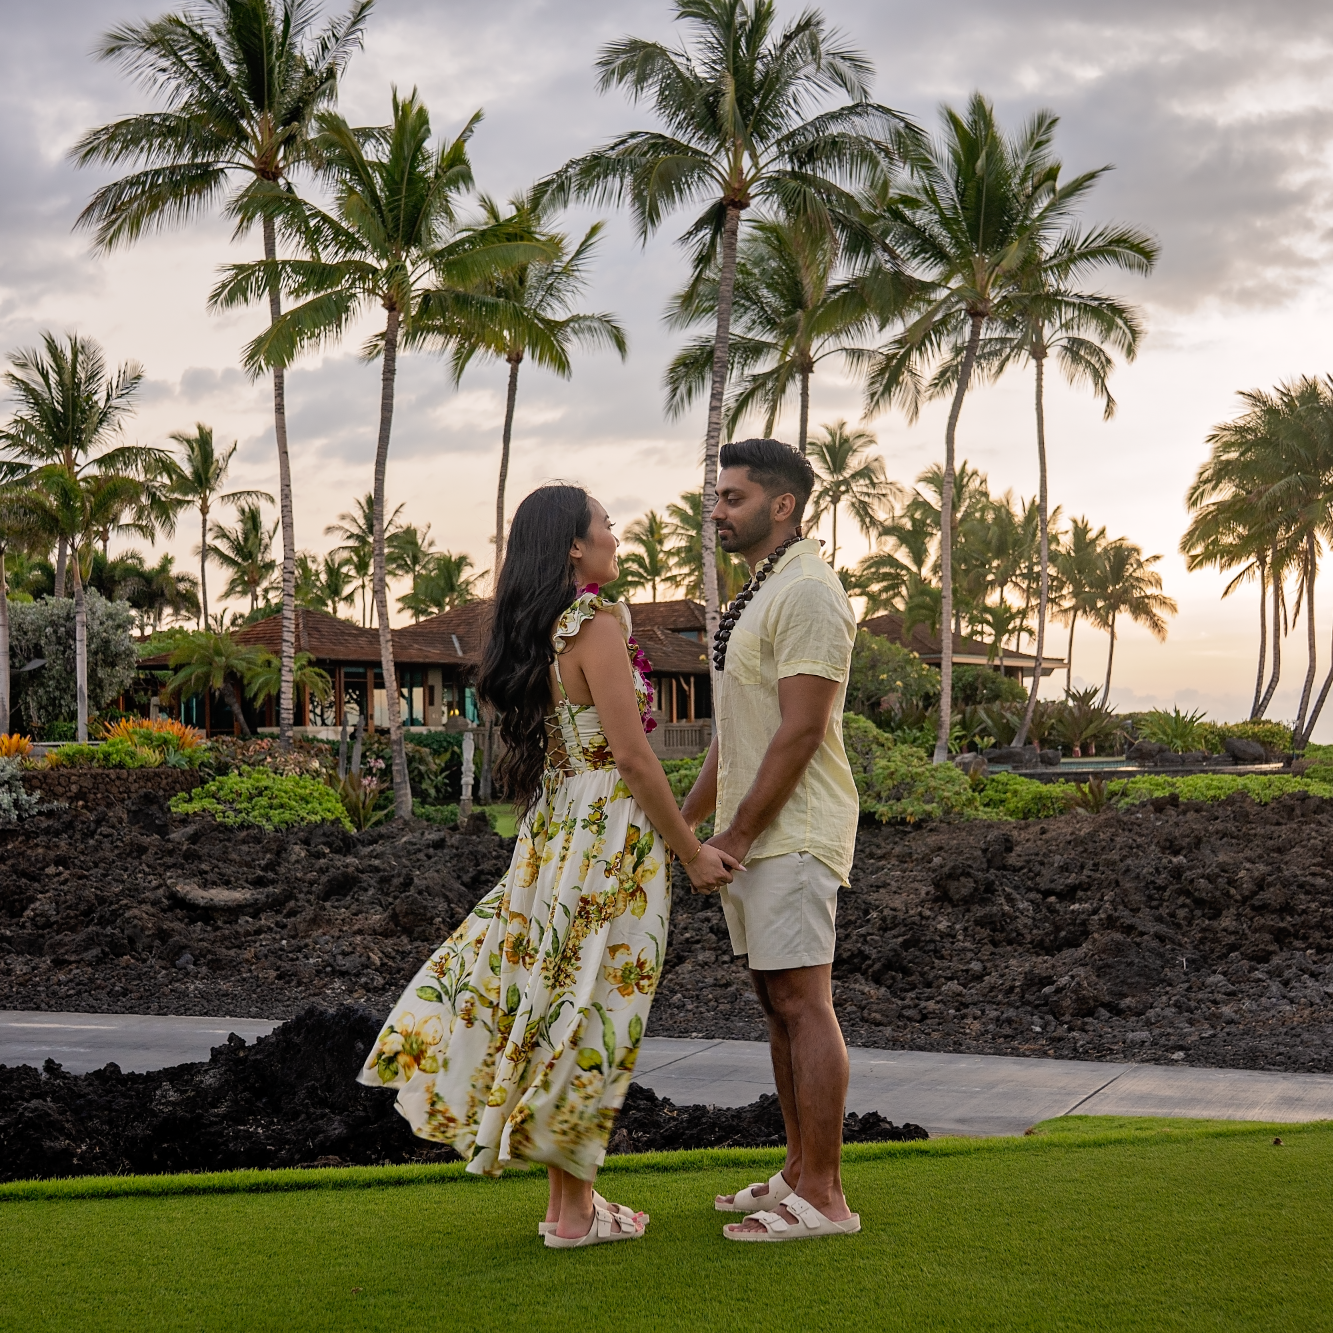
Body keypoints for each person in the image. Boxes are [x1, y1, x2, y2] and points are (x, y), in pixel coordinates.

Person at [358, 483, 739, 1249]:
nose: (613, 530)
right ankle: (573, 1212)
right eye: (603, 521)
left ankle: (574, 1206)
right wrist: (690, 849)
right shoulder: (594, 622)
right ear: (573, 543)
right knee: (593, 1008)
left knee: (566, 1003)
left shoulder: (550, 629)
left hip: (561, 829)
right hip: (605, 835)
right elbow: (631, 755)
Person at [680, 438, 862, 1242]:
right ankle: (795, 1169)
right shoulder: (763, 590)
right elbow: (737, 732)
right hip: (757, 834)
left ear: (781, 505)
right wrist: (686, 823)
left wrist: (739, 833)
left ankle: (824, 1196)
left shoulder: (810, 592)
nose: (714, 510)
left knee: (803, 1002)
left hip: (792, 834)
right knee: (774, 1003)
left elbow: (800, 729)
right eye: (716, 497)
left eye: (732, 497)